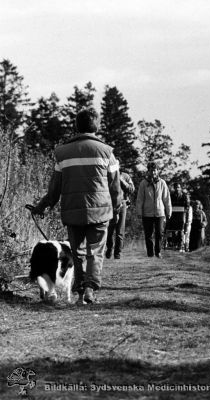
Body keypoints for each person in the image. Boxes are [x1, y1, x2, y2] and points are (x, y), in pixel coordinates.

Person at [32, 108, 122, 305]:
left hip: (73, 211)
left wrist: (41, 207)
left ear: (76, 126)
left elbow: (54, 189)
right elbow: (115, 186)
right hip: (100, 211)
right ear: (96, 126)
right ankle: (90, 288)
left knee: (78, 253)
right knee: (96, 252)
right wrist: (116, 207)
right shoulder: (108, 152)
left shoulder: (62, 153)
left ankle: (80, 292)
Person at [136, 161, 172, 258]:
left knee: (159, 233)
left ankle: (158, 252)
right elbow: (140, 199)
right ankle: (150, 253)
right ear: (148, 171)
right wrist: (139, 211)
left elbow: (166, 198)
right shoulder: (143, 183)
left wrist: (169, 211)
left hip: (160, 212)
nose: (153, 172)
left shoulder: (162, 183)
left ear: (157, 171)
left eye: (155, 170)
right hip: (147, 213)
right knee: (148, 234)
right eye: (151, 170)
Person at [106, 170, 135, 260]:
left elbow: (131, 189)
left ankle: (117, 254)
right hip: (109, 204)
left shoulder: (125, 176)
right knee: (109, 231)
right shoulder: (106, 175)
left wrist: (121, 180)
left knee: (120, 231)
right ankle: (109, 248)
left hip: (122, 204)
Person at [166, 182, 190, 252]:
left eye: (178, 187)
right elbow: (168, 205)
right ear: (174, 188)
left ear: (181, 188)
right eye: (175, 187)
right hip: (173, 215)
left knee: (181, 230)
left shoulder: (184, 196)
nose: (177, 189)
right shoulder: (171, 196)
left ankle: (180, 245)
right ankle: (174, 244)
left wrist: (186, 216)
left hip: (181, 215)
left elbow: (187, 207)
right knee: (173, 230)